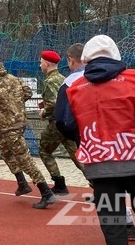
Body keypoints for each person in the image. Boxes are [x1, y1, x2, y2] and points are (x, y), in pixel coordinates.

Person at [58, 35, 135, 245]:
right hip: (134, 158)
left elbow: (68, 124)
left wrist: (89, 140)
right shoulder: (134, 79)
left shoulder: (76, 87)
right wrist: (134, 136)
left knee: (111, 216)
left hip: (99, 163)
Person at [56, 43, 135, 241]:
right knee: (132, 185)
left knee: (106, 187)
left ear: (71, 59)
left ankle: (125, 224)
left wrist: (81, 137)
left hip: (93, 144)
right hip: (125, 142)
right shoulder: (123, 75)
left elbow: (62, 120)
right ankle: (133, 224)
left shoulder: (70, 83)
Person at [0, 52, 57, 209]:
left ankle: (46, 192)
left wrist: (0, 107)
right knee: (5, 152)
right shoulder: (13, 78)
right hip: (19, 123)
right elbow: (27, 92)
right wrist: (15, 103)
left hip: (7, 127)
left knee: (24, 159)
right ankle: (22, 183)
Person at [37, 50, 83, 195]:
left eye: (41, 62)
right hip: (68, 122)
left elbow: (53, 104)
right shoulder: (63, 78)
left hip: (56, 123)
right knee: (77, 155)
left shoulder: (49, 81)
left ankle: (59, 183)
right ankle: (97, 185)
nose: (40, 65)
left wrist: (44, 111)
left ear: (47, 63)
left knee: (44, 150)